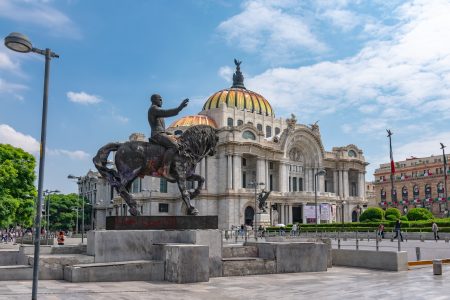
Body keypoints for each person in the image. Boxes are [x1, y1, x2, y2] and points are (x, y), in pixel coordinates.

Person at [148, 94, 189, 181]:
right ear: (154, 100)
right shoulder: (154, 109)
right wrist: (179, 108)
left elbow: (162, 128)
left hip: (161, 133)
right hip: (157, 134)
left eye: (161, 99)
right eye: (159, 99)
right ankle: (165, 170)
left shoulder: (156, 110)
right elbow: (167, 112)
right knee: (174, 146)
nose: (161, 101)